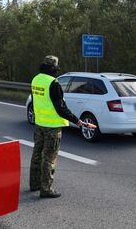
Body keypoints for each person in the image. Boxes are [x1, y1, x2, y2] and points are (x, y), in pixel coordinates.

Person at [30, 55, 87, 199]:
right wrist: (77, 121)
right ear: (54, 68)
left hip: (39, 124)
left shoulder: (36, 79)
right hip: (52, 126)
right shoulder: (53, 83)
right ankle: (46, 188)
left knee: (37, 154)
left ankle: (34, 183)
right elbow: (60, 108)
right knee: (49, 158)